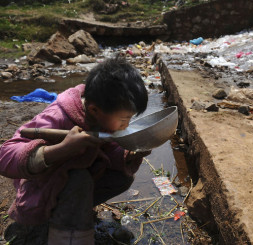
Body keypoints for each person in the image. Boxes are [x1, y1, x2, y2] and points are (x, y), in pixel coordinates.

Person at [0, 57, 150, 244]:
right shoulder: (58, 116)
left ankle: (72, 212)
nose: (126, 125)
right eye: (124, 120)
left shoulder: (101, 113)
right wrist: (62, 149)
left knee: (122, 177)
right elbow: (4, 155)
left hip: (71, 182)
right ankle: (49, 227)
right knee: (80, 179)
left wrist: (129, 154)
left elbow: (108, 148)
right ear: (95, 110)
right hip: (42, 186)